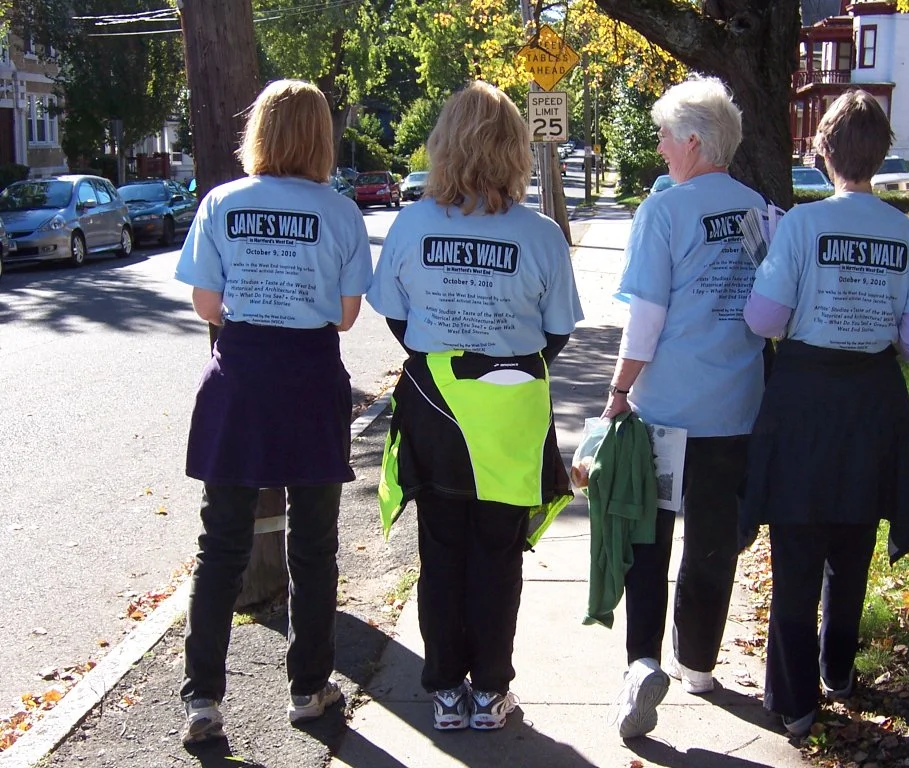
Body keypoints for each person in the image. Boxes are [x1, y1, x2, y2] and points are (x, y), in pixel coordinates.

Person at [367, 80, 583, 732]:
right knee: (498, 556)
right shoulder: (540, 235)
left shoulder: (413, 225)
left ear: (443, 146)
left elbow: (398, 321)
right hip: (511, 416)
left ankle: (444, 691)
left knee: (440, 555)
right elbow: (556, 336)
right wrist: (503, 358)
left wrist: (449, 360)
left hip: (436, 411)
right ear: (516, 150)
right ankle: (490, 691)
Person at [741, 89, 909, 737]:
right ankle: (838, 670)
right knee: (851, 545)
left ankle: (797, 702)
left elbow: (764, 320)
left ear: (823, 151)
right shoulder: (907, 233)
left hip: (803, 402)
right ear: (882, 155)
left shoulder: (799, 226)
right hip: (870, 403)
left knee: (797, 549)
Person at [173, 79, 373, 745]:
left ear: (257, 132)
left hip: (241, 378)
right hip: (311, 379)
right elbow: (346, 317)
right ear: (322, 137)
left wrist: (245, 303)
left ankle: (202, 698)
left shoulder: (222, 202)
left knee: (220, 545)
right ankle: (309, 688)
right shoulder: (340, 212)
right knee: (312, 548)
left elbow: (206, 304)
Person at [601, 74, 769, 740]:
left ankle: (642, 661)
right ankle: (697, 663)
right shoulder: (759, 208)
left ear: (694, 140)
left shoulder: (664, 213)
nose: (660, 147)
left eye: (666, 135)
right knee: (711, 543)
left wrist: (618, 391)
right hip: (734, 406)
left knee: (648, 539)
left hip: (663, 409)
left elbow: (646, 317)